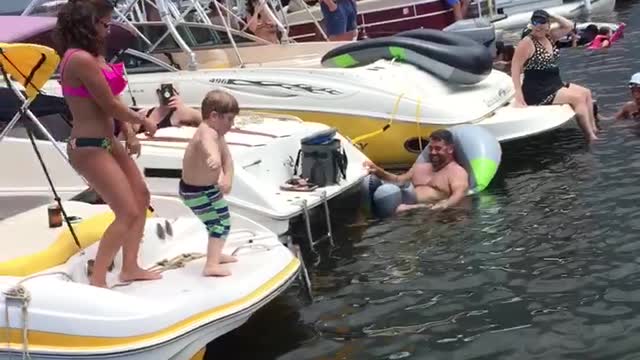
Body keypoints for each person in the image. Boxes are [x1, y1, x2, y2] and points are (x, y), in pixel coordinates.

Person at [54, 0, 161, 288]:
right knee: (126, 211)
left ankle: (130, 267)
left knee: (142, 198)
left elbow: (111, 102)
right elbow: (109, 104)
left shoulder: (93, 57)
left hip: (107, 140)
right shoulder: (79, 59)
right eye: (104, 24)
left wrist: (128, 131)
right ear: (88, 25)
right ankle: (98, 280)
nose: (108, 29)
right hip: (88, 145)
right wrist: (144, 120)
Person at [510, 10, 599, 143]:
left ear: (549, 25)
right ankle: (590, 136)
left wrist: (551, 15)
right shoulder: (527, 43)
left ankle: (594, 128)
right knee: (578, 98)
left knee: (586, 92)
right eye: (535, 22)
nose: (538, 26)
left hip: (554, 83)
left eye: (542, 22)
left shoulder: (550, 37)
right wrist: (518, 94)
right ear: (531, 24)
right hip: (538, 90)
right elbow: (515, 68)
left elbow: (569, 25)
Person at [179, 90, 238, 277]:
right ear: (214, 116)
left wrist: (228, 177)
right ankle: (211, 265)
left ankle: (216, 254)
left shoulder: (218, 133)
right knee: (218, 224)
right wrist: (213, 156)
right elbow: (208, 144)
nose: (232, 124)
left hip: (208, 189)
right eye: (229, 119)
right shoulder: (207, 131)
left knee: (222, 221)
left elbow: (228, 158)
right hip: (195, 191)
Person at [363, 129, 469, 214]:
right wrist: (377, 170)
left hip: (424, 214)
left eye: (438, 148)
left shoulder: (457, 172)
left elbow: (459, 195)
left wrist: (443, 205)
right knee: (371, 181)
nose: (433, 152)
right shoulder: (420, 167)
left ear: (450, 149)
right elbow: (398, 180)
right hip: (403, 204)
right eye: (431, 148)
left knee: (386, 192)